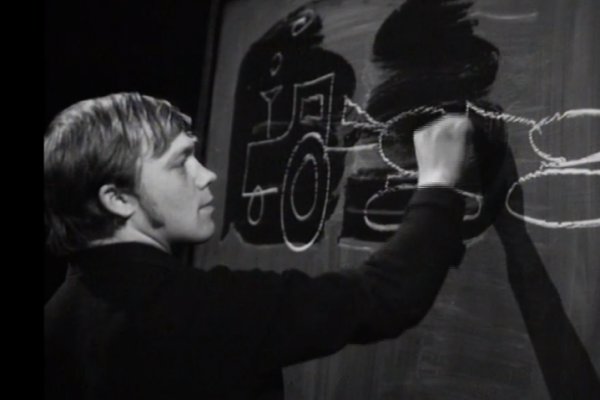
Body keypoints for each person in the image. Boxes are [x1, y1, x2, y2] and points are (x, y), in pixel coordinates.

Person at [44, 92, 471, 400]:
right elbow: (385, 296)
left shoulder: (56, 319)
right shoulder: (200, 310)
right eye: (180, 163)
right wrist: (437, 184)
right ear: (117, 199)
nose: (206, 175)